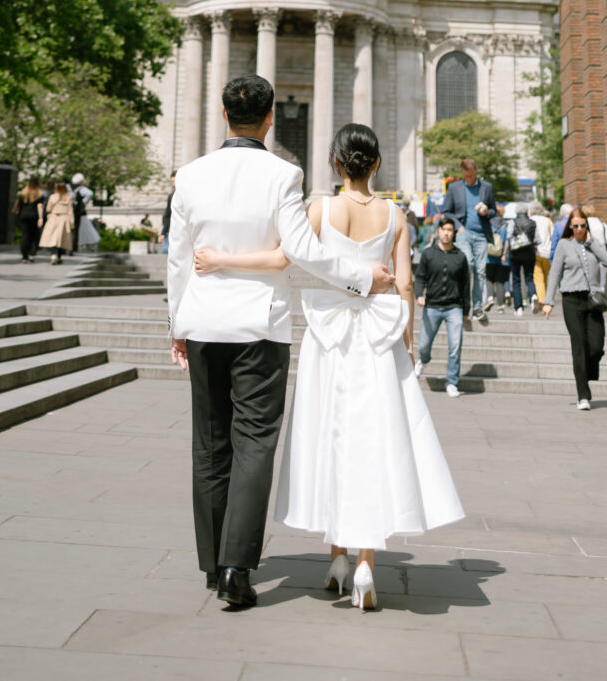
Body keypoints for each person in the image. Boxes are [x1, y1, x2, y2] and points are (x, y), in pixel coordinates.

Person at [195, 121, 464, 612]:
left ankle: (336, 556)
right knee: (376, 441)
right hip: (379, 338)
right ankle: (364, 563)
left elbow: (282, 259)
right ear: (376, 163)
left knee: (333, 437)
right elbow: (404, 286)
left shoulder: (319, 209)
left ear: (336, 164)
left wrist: (220, 260)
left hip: (330, 339)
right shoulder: (396, 216)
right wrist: (405, 341)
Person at [166, 75, 397, 611]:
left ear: (224, 117)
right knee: (253, 446)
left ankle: (210, 564)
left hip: (201, 323)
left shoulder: (192, 176)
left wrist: (176, 324)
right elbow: (303, 250)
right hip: (258, 327)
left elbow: (177, 258)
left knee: (209, 444)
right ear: (269, 120)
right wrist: (364, 279)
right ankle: (235, 568)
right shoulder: (283, 175)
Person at [542, 206, 607, 409]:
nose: (580, 229)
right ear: (570, 227)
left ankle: (588, 372)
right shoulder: (564, 245)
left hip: (592, 300)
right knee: (579, 346)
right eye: (576, 226)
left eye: (583, 225)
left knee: (596, 346)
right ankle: (583, 394)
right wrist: (548, 302)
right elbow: (554, 274)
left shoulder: (593, 244)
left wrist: (592, 243)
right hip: (571, 300)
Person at [413, 214, 471, 395]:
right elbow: (420, 277)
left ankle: (452, 382)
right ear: (438, 231)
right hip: (432, 306)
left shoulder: (460, 257)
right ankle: (423, 360)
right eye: (443, 230)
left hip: (454, 307)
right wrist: (419, 295)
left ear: (454, 233)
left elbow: (465, 285)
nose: (446, 234)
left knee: (455, 346)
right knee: (423, 345)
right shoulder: (429, 254)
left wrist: (466, 310)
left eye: (449, 230)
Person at [441, 158, 497, 318]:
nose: (469, 179)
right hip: (464, 233)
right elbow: (447, 212)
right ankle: (462, 304)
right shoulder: (454, 188)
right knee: (468, 265)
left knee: (480, 272)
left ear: (476, 172)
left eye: (471, 176)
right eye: (466, 176)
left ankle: (478, 307)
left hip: (482, 235)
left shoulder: (486, 187)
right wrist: (459, 227)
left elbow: (494, 210)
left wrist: (487, 211)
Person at [504, 201, 538, 315]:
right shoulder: (533, 223)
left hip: (515, 254)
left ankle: (518, 308)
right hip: (529, 253)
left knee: (516, 280)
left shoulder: (512, 222)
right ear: (527, 211)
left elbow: (508, 237)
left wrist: (505, 252)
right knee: (529, 278)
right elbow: (538, 240)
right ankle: (533, 295)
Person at [12, 177, 45, 262]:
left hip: (23, 216)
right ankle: (31, 253)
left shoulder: (23, 193)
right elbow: (39, 206)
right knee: (34, 235)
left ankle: (24, 256)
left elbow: (18, 205)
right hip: (34, 216)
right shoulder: (38, 194)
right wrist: (41, 218)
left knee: (25, 236)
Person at [40, 180, 74, 264]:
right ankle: (59, 256)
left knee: (53, 238)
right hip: (64, 219)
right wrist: (72, 222)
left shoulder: (52, 197)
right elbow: (70, 211)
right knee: (61, 239)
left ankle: (53, 255)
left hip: (54, 218)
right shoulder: (67, 197)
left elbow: (48, 208)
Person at [484, 205, 511, 311]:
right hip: (502, 258)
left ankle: (490, 298)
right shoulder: (505, 225)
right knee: (500, 281)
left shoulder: (488, 224)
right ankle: (500, 306)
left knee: (489, 278)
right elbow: (507, 242)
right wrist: (504, 254)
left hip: (489, 256)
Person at [529, 201, 554, 303]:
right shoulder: (548, 220)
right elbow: (553, 235)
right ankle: (546, 300)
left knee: (538, 278)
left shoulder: (530, 220)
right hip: (547, 252)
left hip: (535, 252)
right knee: (545, 277)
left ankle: (542, 301)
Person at [70, 174, 93, 253]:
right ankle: (73, 247)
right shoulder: (82, 189)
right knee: (75, 229)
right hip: (76, 211)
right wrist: (82, 203)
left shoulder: (68, 187)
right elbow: (90, 193)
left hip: (67, 211)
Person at [160, 174, 175, 254]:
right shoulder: (171, 196)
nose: (173, 184)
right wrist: (163, 232)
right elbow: (168, 214)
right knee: (166, 250)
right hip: (171, 229)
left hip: (179, 231)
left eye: (174, 181)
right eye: (172, 181)